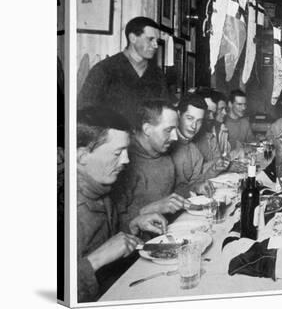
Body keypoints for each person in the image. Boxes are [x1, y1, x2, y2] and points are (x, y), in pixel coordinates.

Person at [77, 106, 166, 302]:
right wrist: (96, 260)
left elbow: (110, 242)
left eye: (127, 151)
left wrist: (133, 226)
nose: (126, 160)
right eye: (118, 153)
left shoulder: (101, 188)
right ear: (82, 156)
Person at [78, 16, 169, 124]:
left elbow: (164, 113)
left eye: (157, 41)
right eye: (150, 39)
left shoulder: (157, 74)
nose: (155, 45)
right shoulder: (104, 69)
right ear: (133, 38)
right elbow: (84, 112)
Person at [112, 100, 185, 232]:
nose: (175, 137)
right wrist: (150, 210)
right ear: (147, 129)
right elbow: (113, 227)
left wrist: (195, 186)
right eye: (169, 130)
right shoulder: (121, 163)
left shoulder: (164, 153)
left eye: (176, 129)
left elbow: (173, 197)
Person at [172, 93, 230, 197]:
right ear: (179, 114)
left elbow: (195, 183)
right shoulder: (166, 144)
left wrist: (214, 169)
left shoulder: (194, 151)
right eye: (189, 118)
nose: (194, 126)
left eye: (199, 121)